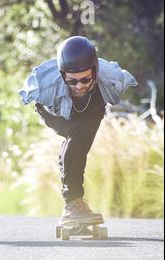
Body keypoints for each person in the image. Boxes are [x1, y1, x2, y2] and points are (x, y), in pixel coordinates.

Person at [19, 36, 137, 226]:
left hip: (94, 108)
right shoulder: (46, 84)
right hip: (56, 113)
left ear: (95, 71)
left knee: (79, 149)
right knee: (78, 132)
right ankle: (72, 204)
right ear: (62, 74)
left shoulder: (110, 76)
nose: (79, 86)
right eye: (72, 81)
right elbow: (27, 95)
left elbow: (123, 84)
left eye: (85, 79)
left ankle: (76, 205)